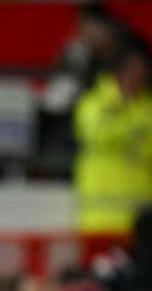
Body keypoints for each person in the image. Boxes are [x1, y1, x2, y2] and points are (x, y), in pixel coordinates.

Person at [74, 43, 152, 235]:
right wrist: (135, 129)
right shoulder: (93, 103)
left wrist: (123, 131)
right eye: (134, 70)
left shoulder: (147, 106)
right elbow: (97, 135)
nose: (139, 77)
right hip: (100, 217)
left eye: (143, 72)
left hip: (143, 217)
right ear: (119, 71)